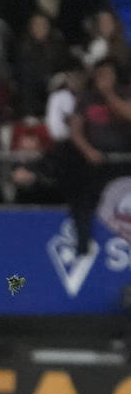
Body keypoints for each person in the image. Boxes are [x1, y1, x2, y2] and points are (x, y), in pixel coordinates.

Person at [65, 57, 131, 253]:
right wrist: (88, 150)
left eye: (108, 74)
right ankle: (83, 245)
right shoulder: (85, 98)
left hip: (124, 161)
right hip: (95, 161)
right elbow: (75, 130)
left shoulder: (125, 93)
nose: (104, 78)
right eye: (100, 74)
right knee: (81, 197)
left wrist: (109, 95)